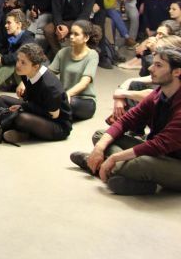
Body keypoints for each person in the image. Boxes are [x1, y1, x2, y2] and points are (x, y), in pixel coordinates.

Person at [70, 47, 181, 195]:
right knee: (101, 136)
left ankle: (98, 165)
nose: (150, 68)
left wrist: (114, 157)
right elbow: (126, 120)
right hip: (158, 153)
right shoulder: (159, 93)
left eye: (158, 65)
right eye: (153, 63)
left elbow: (159, 144)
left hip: (175, 161)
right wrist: (99, 148)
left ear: (177, 72)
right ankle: (132, 178)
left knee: (141, 163)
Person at [0, 43, 72, 143]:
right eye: (18, 60)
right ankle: (17, 129)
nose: (18, 65)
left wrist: (23, 107)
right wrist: (23, 106)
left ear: (35, 66)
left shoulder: (49, 86)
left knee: (21, 118)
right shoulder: (25, 72)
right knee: (1, 100)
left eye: (23, 63)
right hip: (36, 109)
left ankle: (23, 132)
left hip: (57, 124)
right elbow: (31, 99)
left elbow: (53, 115)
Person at [49, 20, 100, 121]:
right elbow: (49, 73)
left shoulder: (92, 55)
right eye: (71, 33)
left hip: (84, 101)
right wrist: (30, 79)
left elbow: (84, 83)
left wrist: (67, 94)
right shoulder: (63, 52)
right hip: (64, 98)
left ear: (86, 38)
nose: (71, 37)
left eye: (76, 34)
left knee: (60, 104)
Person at [0, 9, 36, 89]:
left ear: (19, 24)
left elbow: (18, 56)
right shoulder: (9, 36)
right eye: (6, 23)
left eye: (9, 23)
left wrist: (1, 59)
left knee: (13, 63)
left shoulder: (28, 38)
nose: (5, 25)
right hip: (13, 75)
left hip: (25, 78)